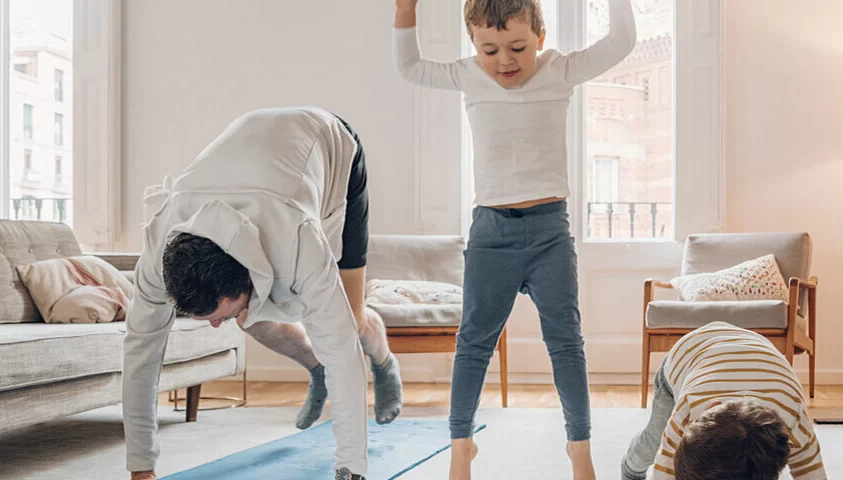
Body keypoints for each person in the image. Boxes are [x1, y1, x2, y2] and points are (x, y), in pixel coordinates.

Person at [392, 0, 635, 478]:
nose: (504, 60)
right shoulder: (468, 75)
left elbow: (621, 42)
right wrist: (406, 9)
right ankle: (461, 445)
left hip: (550, 231)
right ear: (473, 45)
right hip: (490, 233)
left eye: (518, 47)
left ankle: (579, 448)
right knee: (474, 342)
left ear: (540, 38)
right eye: (489, 49)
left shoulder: (560, 70)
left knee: (565, 341)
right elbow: (410, 67)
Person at [121, 106, 403, 480]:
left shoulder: (299, 239)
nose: (216, 326)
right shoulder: (160, 246)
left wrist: (351, 470)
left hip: (331, 147)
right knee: (250, 320)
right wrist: (141, 468)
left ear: (246, 280)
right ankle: (313, 368)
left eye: (217, 314)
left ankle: (385, 362)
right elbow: (140, 353)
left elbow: (342, 352)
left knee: (349, 321)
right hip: (254, 154)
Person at [620, 322, 828, 480]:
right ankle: (630, 469)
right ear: (712, 407)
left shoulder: (795, 419)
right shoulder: (691, 408)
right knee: (654, 441)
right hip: (687, 355)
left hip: (751, 349)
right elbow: (663, 470)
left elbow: (811, 473)